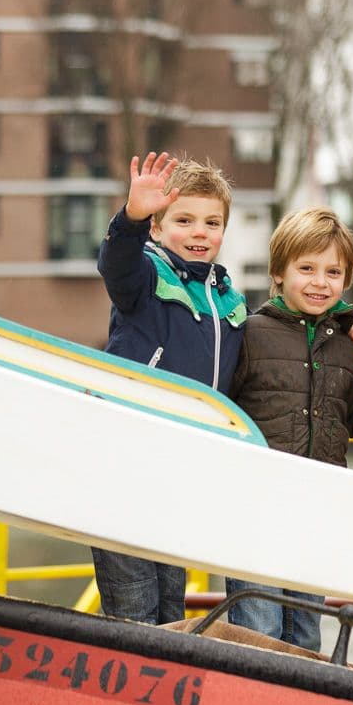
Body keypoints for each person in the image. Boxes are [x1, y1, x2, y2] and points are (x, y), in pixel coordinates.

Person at [223, 207, 353, 650]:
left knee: (306, 631)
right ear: (279, 272)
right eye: (306, 269)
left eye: (333, 272)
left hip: (317, 510)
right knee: (258, 628)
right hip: (258, 512)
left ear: (347, 278)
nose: (320, 282)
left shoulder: (344, 348)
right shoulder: (249, 335)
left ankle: (298, 697)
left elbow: (350, 418)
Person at [91, 152, 248, 625]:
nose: (200, 232)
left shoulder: (228, 299)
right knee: (135, 610)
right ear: (158, 229)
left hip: (180, 476)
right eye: (184, 220)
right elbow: (116, 265)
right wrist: (132, 218)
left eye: (212, 223)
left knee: (170, 607)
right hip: (127, 466)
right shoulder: (146, 278)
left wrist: (345, 329)